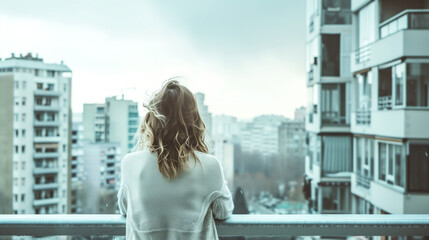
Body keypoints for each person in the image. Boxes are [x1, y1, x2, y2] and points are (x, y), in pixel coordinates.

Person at [117, 80, 234, 240]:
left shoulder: (130, 163)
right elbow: (224, 211)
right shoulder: (209, 165)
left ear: (152, 118)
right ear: (193, 120)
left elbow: (126, 208)